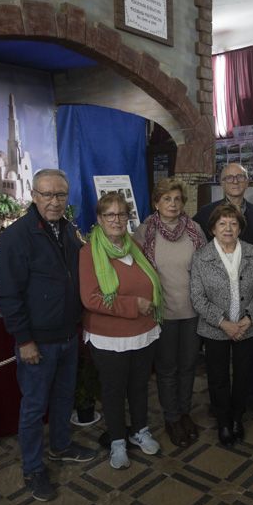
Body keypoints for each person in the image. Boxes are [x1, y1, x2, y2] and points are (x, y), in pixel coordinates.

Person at [0, 168, 96, 502]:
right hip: (37, 341)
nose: (54, 202)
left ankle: (62, 446)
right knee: (34, 407)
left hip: (67, 335)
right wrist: (24, 340)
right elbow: (7, 296)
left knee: (63, 398)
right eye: (47, 195)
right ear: (34, 196)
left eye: (60, 195)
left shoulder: (68, 230)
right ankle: (34, 468)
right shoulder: (16, 237)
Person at [80, 191, 163, 469]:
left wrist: (145, 307)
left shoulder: (134, 246)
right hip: (109, 338)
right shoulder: (88, 252)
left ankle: (140, 431)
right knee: (114, 391)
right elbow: (90, 298)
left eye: (122, 214)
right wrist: (134, 305)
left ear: (129, 217)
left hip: (143, 332)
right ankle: (117, 440)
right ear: (100, 219)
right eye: (110, 215)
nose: (116, 220)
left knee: (139, 387)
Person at [133, 179, 206, 449]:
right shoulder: (144, 232)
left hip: (192, 310)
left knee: (188, 366)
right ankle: (171, 418)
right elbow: (136, 271)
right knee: (166, 369)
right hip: (162, 312)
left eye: (177, 199)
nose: (173, 204)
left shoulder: (195, 230)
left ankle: (185, 413)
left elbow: (206, 267)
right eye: (167, 199)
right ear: (156, 203)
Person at [190, 204, 253, 446]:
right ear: (213, 228)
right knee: (218, 378)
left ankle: (237, 418)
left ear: (240, 228)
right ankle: (224, 422)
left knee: (244, 376)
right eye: (222, 223)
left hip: (248, 327)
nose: (228, 228)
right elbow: (197, 297)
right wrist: (224, 323)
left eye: (233, 223)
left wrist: (246, 320)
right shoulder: (201, 256)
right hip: (215, 330)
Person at [194, 162, 253, 247]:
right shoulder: (206, 213)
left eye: (240, 177)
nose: (235, 181)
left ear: (247, 182)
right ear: (222, 183)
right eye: (229, 178)